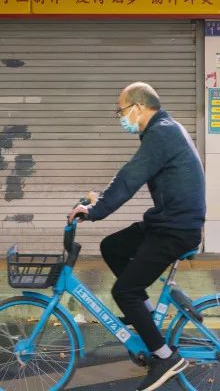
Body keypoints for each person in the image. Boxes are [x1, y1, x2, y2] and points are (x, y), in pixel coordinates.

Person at [70, 82, 205, 391]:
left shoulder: (162, 133)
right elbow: (130, 172)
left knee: (124, 292)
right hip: (168, 222)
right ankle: (145, 317)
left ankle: (164, 357)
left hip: (175, 229)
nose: (120, 117)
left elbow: (131, 178)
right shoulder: (163, 130)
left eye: (121, 110)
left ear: (139, 107)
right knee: (113, 246)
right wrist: (99, 200)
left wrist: (94, 211)